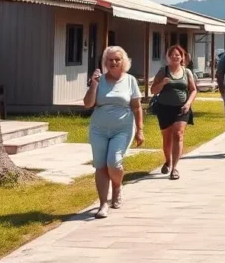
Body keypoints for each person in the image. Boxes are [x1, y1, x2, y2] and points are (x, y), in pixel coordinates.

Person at [83, 46, 144, 219]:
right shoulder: (99, 80)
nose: (114, 63)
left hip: (122, 128)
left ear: (124, 61)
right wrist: (93, 84)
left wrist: (140, 130)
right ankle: (103, 203)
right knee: (100, 165)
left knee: (114, 162)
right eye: (110, 60)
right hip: (99, 128)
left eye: (117, 59)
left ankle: (117, 186)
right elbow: (87, 104)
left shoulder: (130, 80)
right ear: (105, 62)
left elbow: (137, 107)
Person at [149, 44, 197, 180]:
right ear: (168, 58)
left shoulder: (187, 72)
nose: (175, 57)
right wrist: (162, 83)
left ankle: (174, 168)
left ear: (182, 57)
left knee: (178, 134)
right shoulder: (163, 71)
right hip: (164, 108)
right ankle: (168, 161)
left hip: (181, 108)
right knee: (167, 138)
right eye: (172, 55)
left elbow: (193, 90)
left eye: (178, 55)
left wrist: (188, 104)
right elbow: (153, 90)